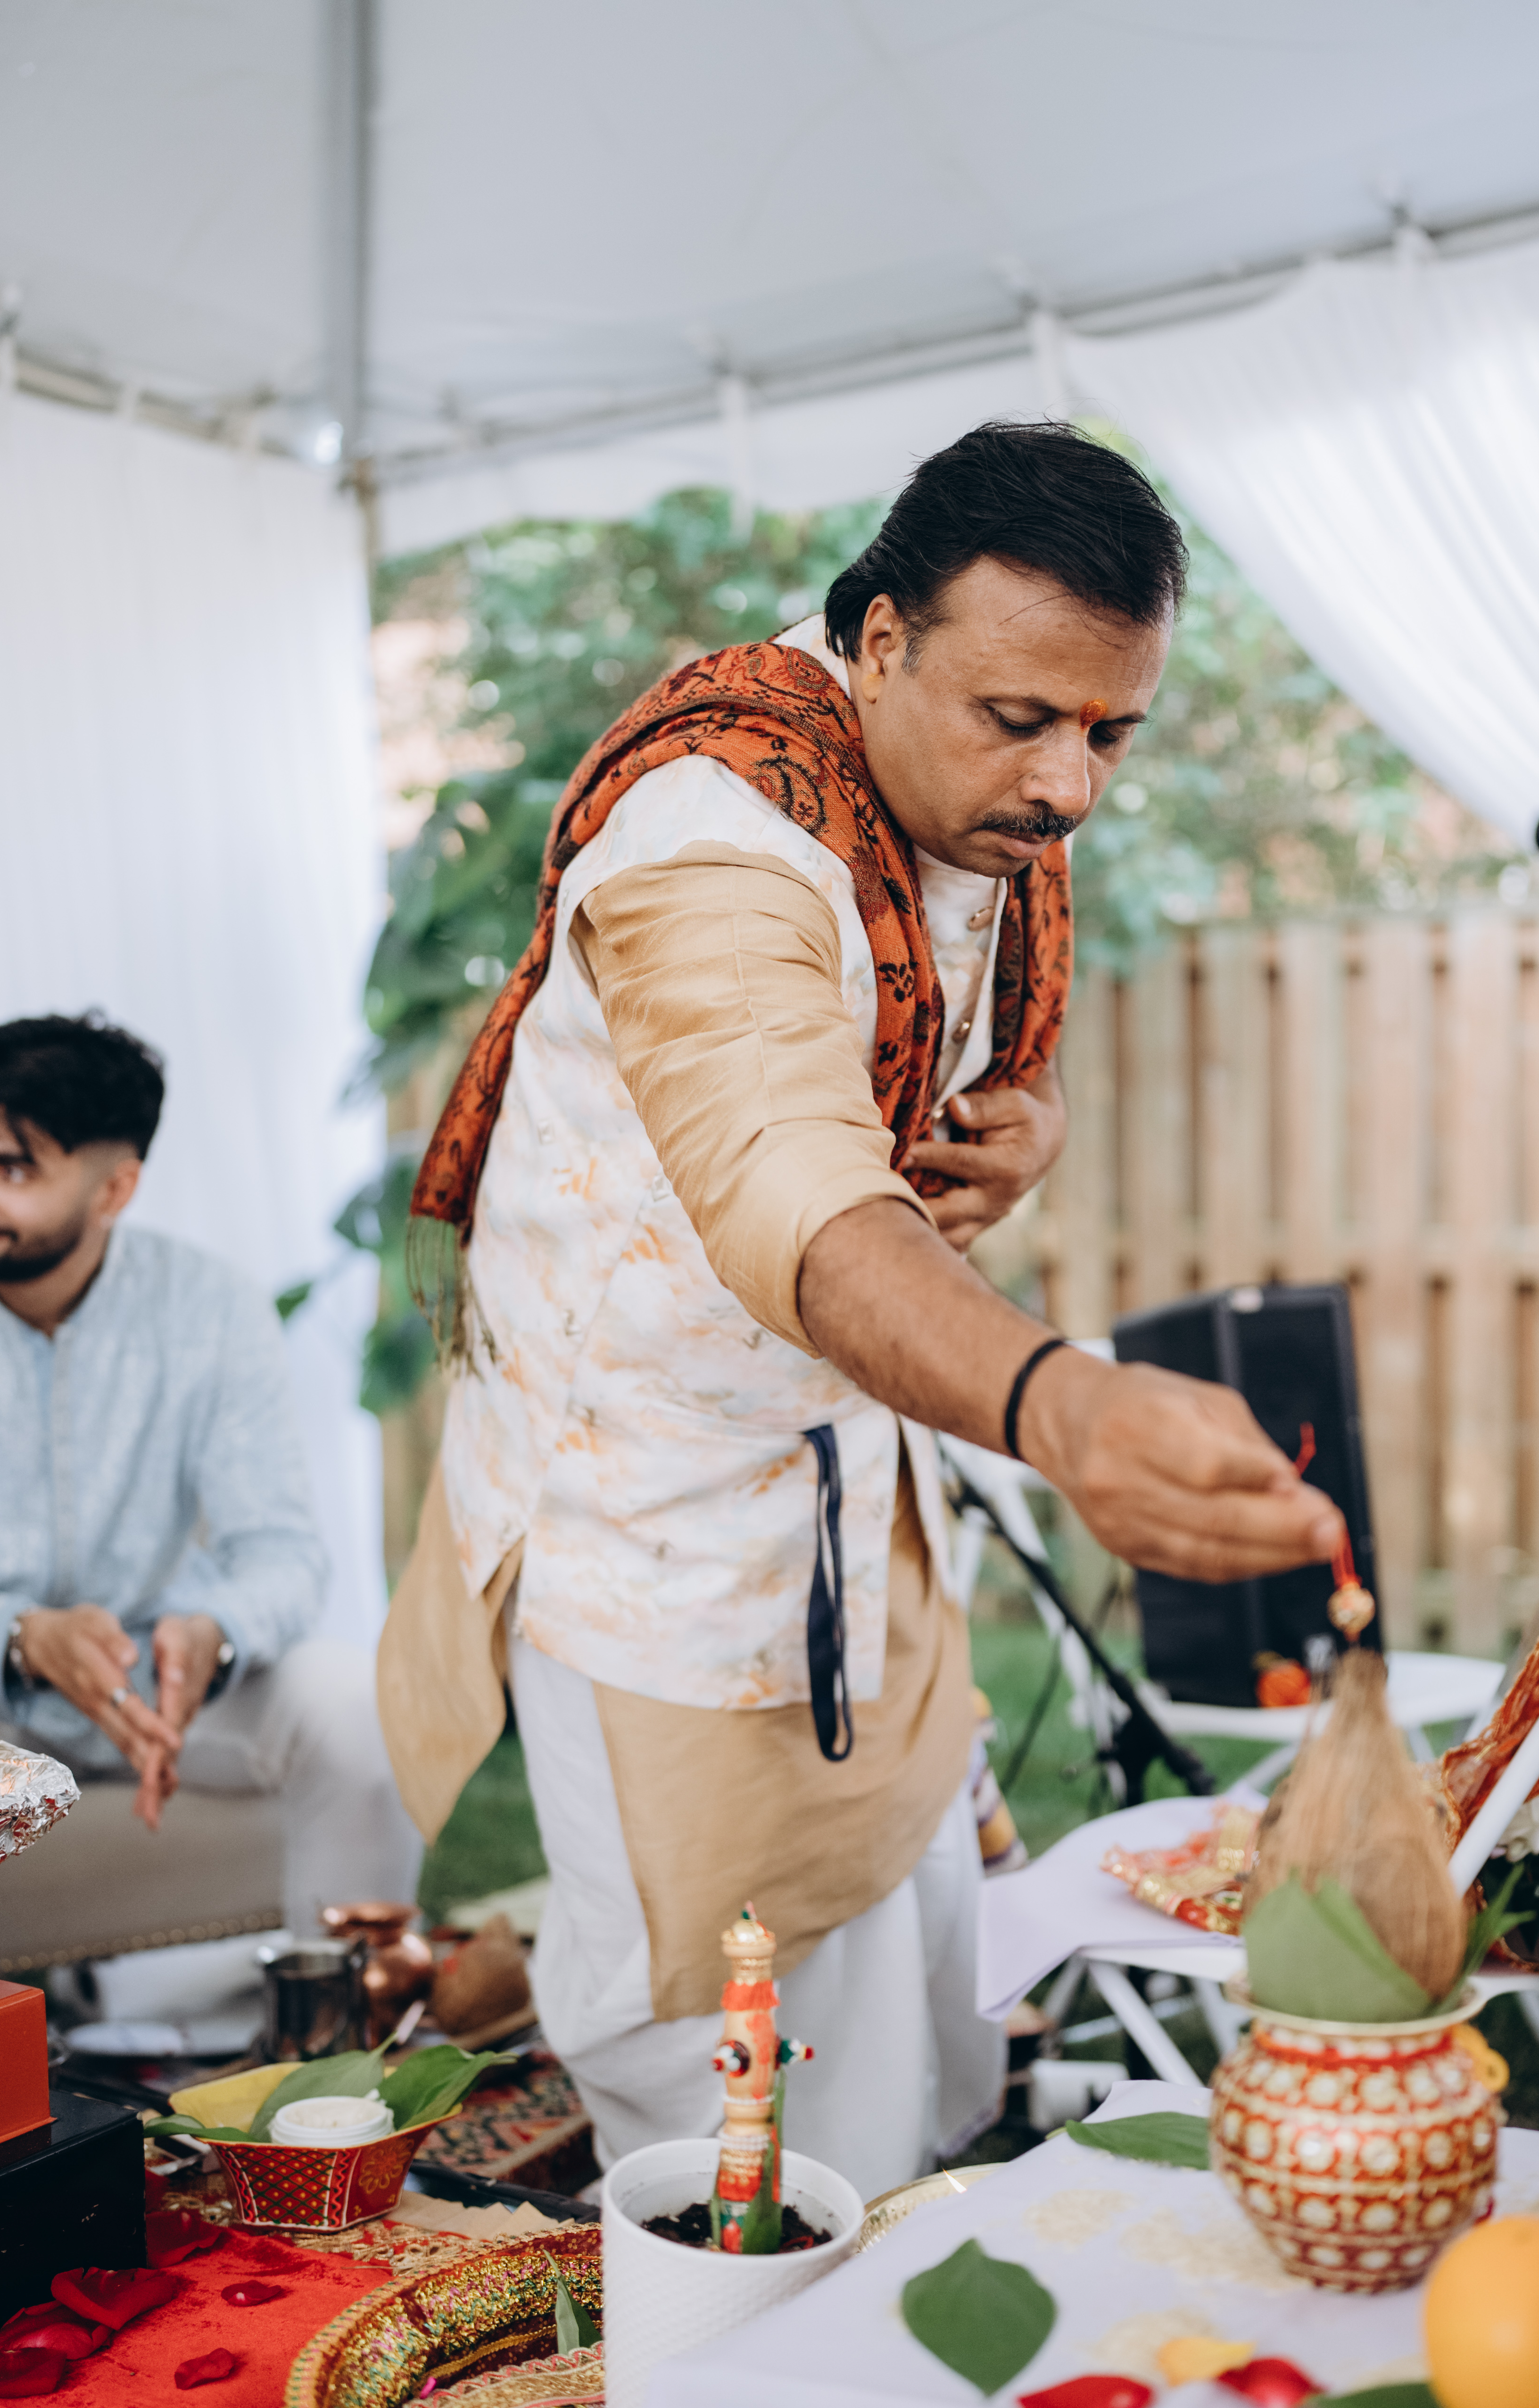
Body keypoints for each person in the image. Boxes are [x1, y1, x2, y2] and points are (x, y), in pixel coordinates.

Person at [381, 422, 1344, 2201]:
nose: (1070, 787)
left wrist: (1032, 1124)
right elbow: (802, 1201)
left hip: (853, 1463)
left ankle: (907, 2235)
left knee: (905, 1947)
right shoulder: (711, 844)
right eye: (1022, 719)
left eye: (1111, 731)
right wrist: (1061, 1408)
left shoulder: (958, 785)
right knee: (725, 2042)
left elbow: (937, 1067)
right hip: (658, 1523)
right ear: (881, 640)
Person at [0, 1013, 421, 1931]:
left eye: (13, 1170)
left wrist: (213, 1637)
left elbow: (282, 1552)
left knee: (352, 1705)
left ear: (115, 1188)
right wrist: (23, 1638)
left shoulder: (210, 1307)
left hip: (166, 1683)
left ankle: (345, 2010)